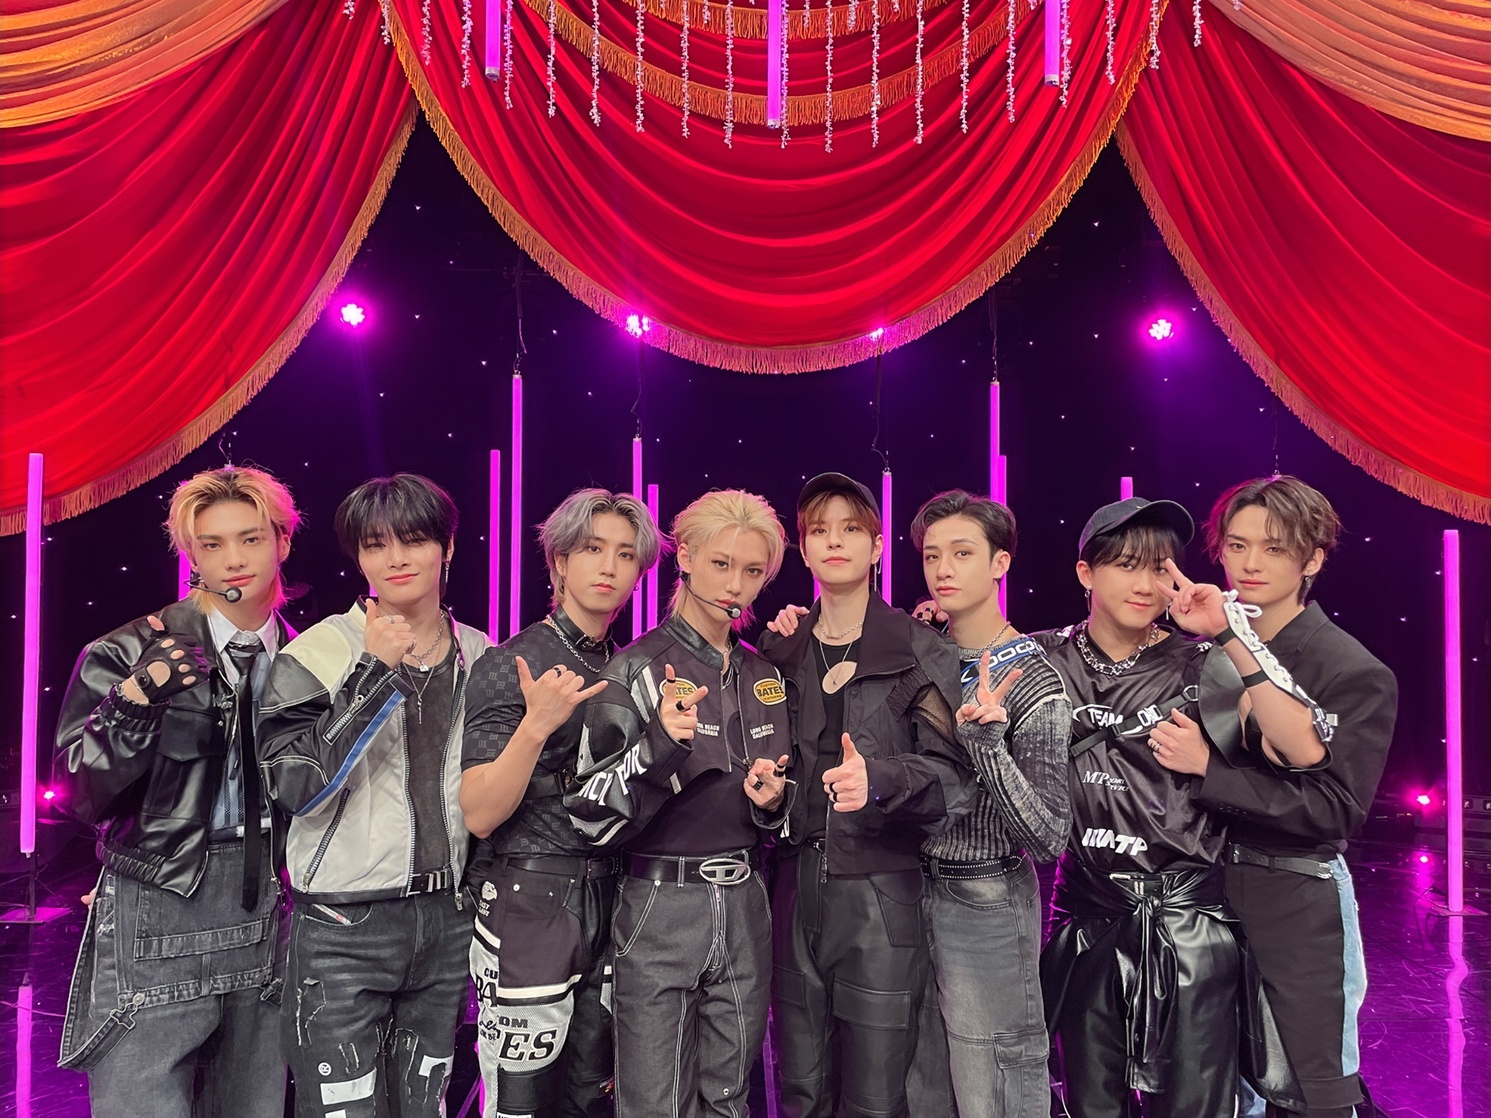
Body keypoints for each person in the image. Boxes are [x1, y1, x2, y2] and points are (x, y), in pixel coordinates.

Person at [54, 465, 300, 1117]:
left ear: (282, 541)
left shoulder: (310, 659)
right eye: (211, 544)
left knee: (253, 1103)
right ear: (191, 555)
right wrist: (133, 701)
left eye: (250, 538)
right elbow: (76, 790)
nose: (233, 560)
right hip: (160, 895)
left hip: (268, 904)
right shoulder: (126, 651)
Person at [1152, 475, 1398, 1118]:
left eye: (1275, 548)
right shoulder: (1198, 651)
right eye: (1237, 546)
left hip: (1295, 897)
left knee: (1311, 1090)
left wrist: (1212, 772)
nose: (1251, 563)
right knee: (1216, 1089)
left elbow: (1335, 809)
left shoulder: (1350, 670)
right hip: (1199, 897)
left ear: (1312, 560)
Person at [258, 473, 491, 1118]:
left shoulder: (480, 654)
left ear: (447, 547)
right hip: (342, 927)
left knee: (425, 1106)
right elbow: (294, 786)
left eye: (413, 540)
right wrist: (371, 673)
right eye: (375, 545)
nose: (395, 559)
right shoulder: (317, 652)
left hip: (446, 920)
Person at [561, 488, 793, 1117]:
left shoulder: (766, 675)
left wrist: (774, 804)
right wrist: (659, 746)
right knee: (653, 1103)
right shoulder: (635, 669)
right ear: (684, 557)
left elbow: (784, 809)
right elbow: (586, 813)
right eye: (721, 564)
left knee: (730, 1099)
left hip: (747, 902)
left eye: (752, 571)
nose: (735, 586)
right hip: (659, 903)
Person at [759, 472, 975, 1118]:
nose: (834, 542)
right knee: (799, 1088)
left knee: (876, 1095)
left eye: (850, 529)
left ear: (877, 547)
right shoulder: (778, 649)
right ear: (802, 550)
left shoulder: (917, 647)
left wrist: (879, 779)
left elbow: (955, 778)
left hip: (882, 889)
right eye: (819, 531)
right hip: (791, 884)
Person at [1033, 497, 1248, 1118]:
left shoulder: (1206, 664)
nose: (1145, 584)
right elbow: (964, 654)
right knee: (1090, 1101)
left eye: (1159, 568)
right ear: (1085, 573)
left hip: (1188, 922)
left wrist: (1227, 634)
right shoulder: (1042, 659)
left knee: (1194, 1104)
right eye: (1126, 565)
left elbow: (1290, 758)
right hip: (1087, 917)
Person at [459, 488, 663, 1117]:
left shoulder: (633, 665)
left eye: (625, 554)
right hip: (529, 901)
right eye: (593, 549)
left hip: (616, 897)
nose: (609, 566)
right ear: (559, 561)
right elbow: (479, 812)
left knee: (593, 1096)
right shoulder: (511, 662)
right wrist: (535, 726)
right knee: (520, 1102)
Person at [908, 490, 1073, 1118]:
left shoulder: (1033, 677)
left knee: (997, 1083)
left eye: (962, 553)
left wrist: (988, 749)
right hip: (907, 889)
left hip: (986, 900)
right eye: (932, 555)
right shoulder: (923, 654)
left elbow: (1048, 837)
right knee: (922, 1081)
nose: (943, 569)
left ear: (1000, 563)